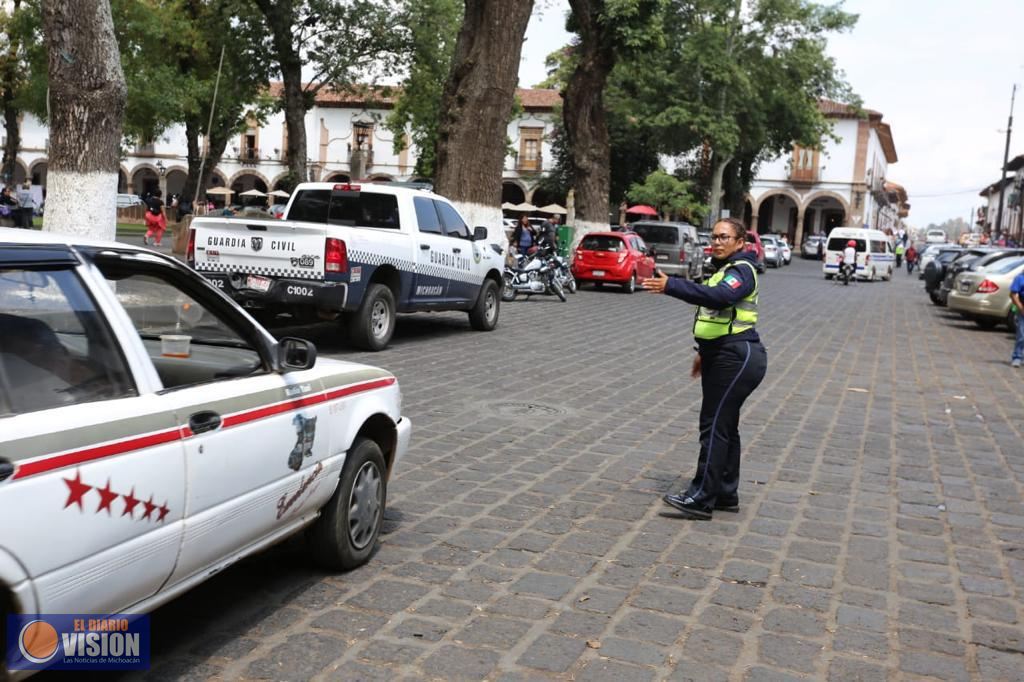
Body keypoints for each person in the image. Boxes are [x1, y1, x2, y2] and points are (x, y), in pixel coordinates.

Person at [641, 217, 768, 519]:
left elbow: (721, 297)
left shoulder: (742, 271)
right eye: (715, 237)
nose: (719, 241)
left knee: (713, 426)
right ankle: (725, 492)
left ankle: (701, 497)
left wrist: (671, 284)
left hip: (737, 357)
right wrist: (704, 352)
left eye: (725, 237)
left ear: (740, 243)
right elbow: (718, 315)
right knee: (726, 426)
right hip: (722, 354)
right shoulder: (722, 271)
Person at [1011, 270, 1024, 368]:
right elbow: (1013, 294)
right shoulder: (1019, 278)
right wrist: (1020, 306)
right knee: (1022, 334)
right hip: (1023, 308)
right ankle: (1017, 357)